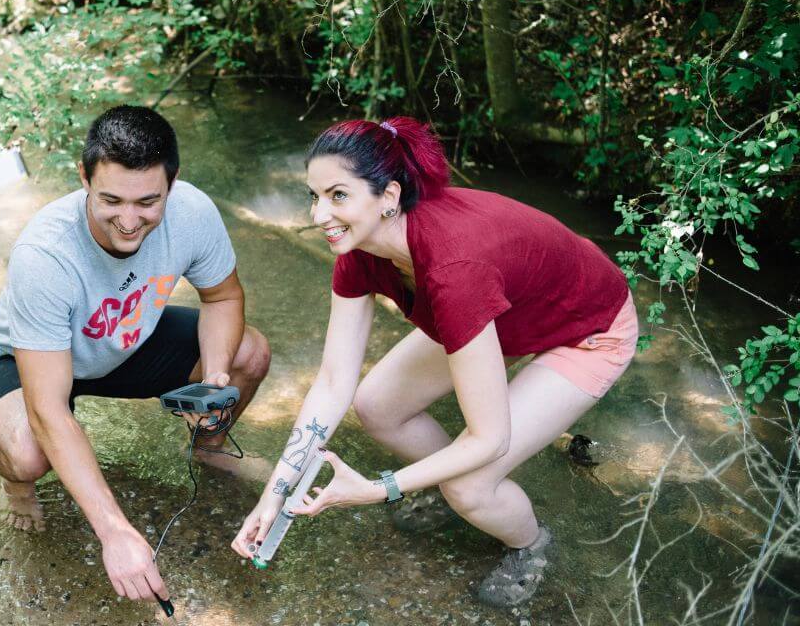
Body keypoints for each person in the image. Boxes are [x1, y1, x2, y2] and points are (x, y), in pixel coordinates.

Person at [232, 117, 637, 607]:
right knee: (378, 405)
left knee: (469, 484)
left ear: (388, 196)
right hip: (505, 312)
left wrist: (381, 487)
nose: (320, 216)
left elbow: (491, 438)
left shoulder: (452, 271)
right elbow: (335, 380)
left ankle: (530, 543)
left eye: (338, 196)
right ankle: (456, 483)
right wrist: (274, 494)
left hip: (588, 329)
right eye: (314, 196)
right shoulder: (358, 246)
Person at [0, 105, 271, 604]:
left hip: (128, 337)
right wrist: (115, 531)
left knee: (249, 354)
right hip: (27, 360)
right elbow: (48, 408)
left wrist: (213, 379)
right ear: (84, 177)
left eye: (148, 203)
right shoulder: (45, 256)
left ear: (172, 185)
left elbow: (222, 297)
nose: (129, 222)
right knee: (28, 452)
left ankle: (208, 448)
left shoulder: (192, 212)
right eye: (111, 200)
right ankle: (10, 479)